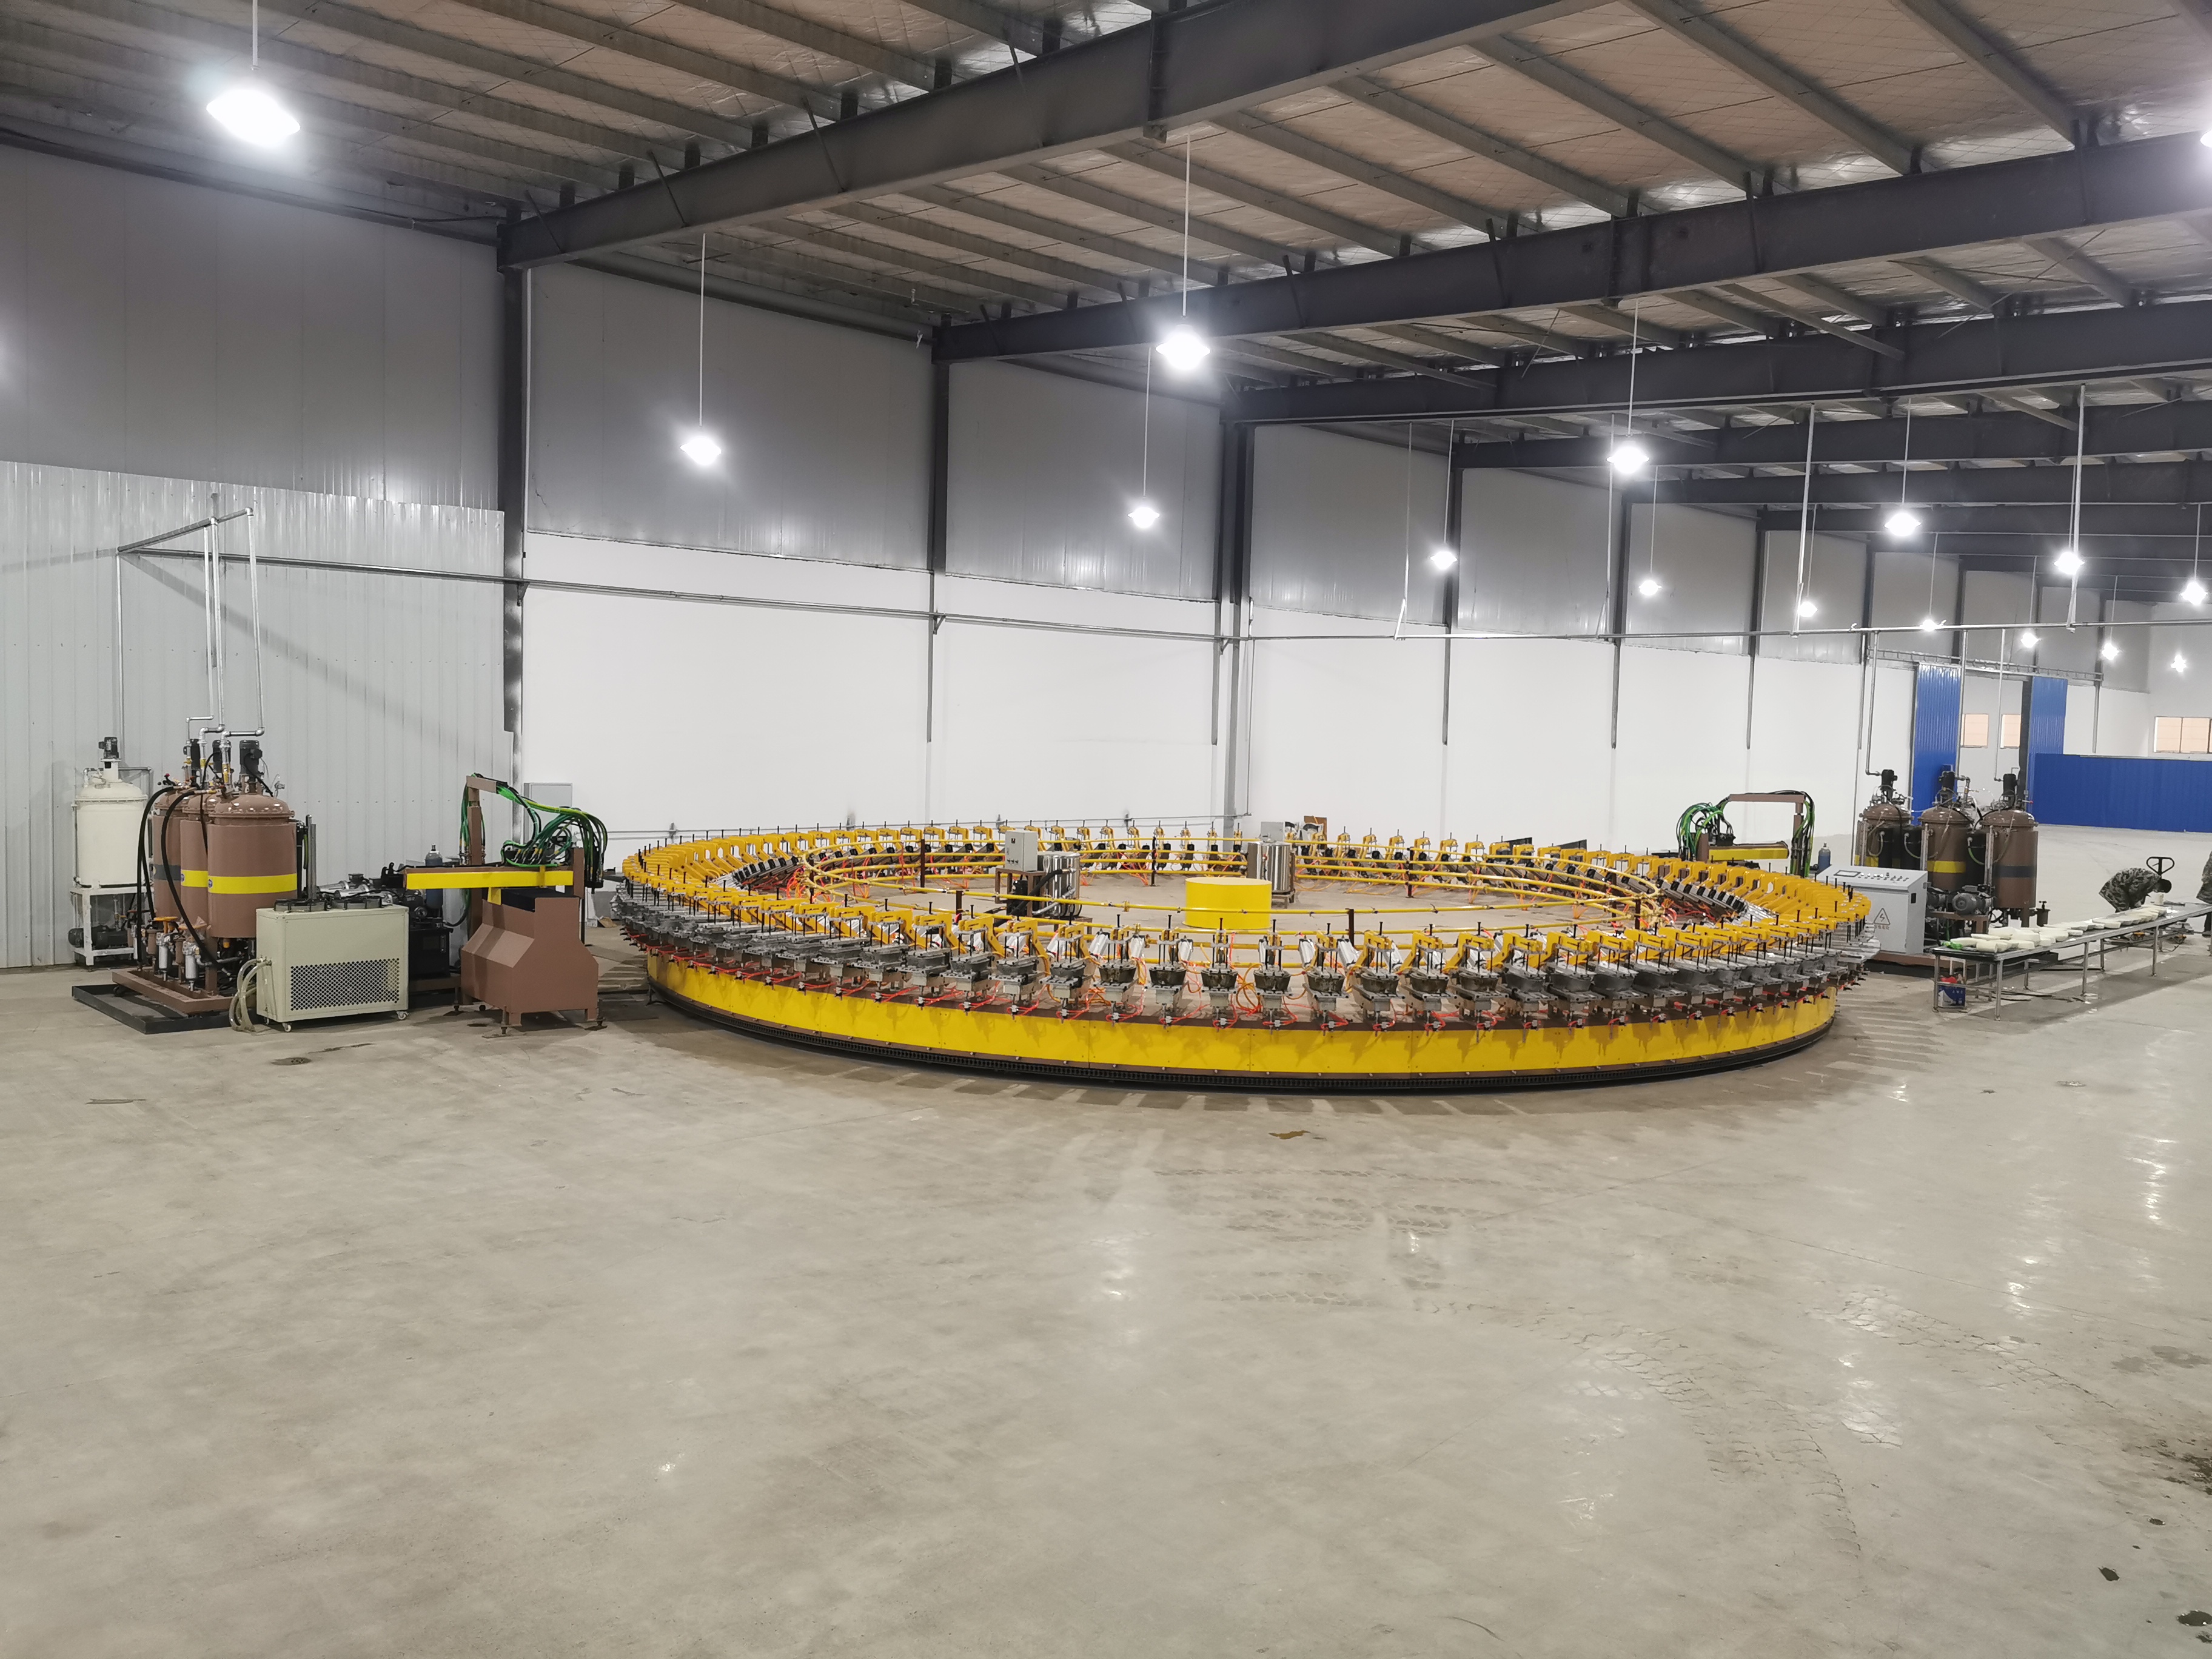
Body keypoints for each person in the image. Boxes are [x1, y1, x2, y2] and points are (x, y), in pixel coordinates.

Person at [2100, 866, 2173, 911]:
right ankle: (2119, 926)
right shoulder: (2147, 878)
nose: (2157, 892)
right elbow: (2132, 891)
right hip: (2117, 885)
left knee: (2131, 908)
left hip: (2125, 887)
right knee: (2123, 909)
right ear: (2160, 885)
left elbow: (2140, 893)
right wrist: (2136, 903)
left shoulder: (2153, 882)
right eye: (2159, 890)